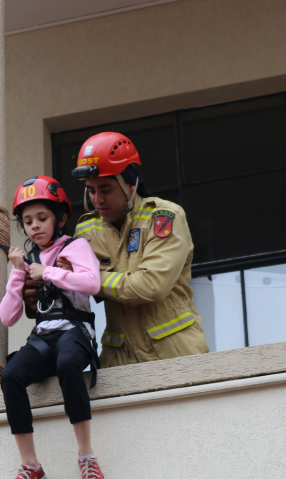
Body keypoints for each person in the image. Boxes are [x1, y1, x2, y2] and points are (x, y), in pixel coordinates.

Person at [0, 175, 106, 479]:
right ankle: (30, 465)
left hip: (75, 330)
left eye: (42, 218)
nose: (34, 226)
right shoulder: (27, 261)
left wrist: (48, 272)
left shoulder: (76, 247)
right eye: (28, 221)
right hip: (44, 335)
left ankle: (86, 456)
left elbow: (92, 283)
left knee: (68, 364)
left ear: (59, 218)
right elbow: (8, 317)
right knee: (11, 375)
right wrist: (18, 273)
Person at [68, 131, 209, 367]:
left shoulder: (164, 217)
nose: (98, 199)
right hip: (120, 361)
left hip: (176, 354)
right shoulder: (86, 230)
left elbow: (151, 285)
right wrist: (37, 291)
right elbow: (69, 291)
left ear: (130, 184)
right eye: (91, 190)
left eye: (106, 189)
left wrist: (89, 279)